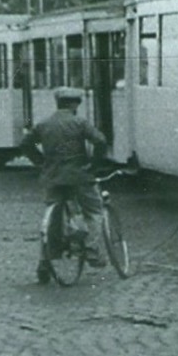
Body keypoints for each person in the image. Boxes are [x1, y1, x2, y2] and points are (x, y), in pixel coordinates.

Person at [23, 86, 109, 278]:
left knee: (52, 217)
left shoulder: (44, 123)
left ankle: (45, 261)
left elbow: (25, 143)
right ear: (75, 104)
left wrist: (40, 162)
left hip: (52, 177)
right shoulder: (79, 122)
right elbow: (101, 141)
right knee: (94, 211)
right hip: (79, 176)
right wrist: (94, 165)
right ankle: (92, 251)